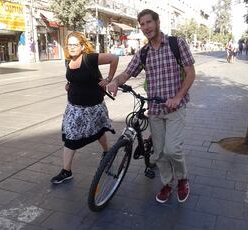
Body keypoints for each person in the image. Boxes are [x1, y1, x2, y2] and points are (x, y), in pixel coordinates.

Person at [107, 9, 196, 204]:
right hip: (155, 110)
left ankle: (182, 179)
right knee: (159, 153)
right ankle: (167, 183)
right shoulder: (144, 52)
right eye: (142, 24)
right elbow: (126, 74)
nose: (146, 27)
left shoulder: (176, 43)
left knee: (172, 149)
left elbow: (190, 73)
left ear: (157, 22)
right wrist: (115, 81)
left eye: (149, 22)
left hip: (175, 108)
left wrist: (178, 96)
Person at [51, 31, 119, 184]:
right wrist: (69, 85)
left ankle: (107, 152)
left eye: (75, 44)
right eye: (69, 45)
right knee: (71, 136)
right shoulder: (68, 61)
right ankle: (66, 171)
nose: (72, 48)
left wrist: (108, 78)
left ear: (82, 46)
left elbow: (114, 58)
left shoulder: (90, 58)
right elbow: (73, 78)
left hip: (93, 106)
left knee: (99, 130)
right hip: (75, 107)